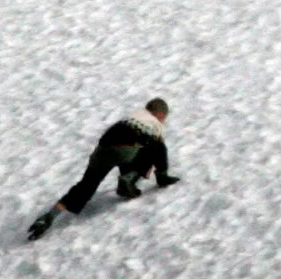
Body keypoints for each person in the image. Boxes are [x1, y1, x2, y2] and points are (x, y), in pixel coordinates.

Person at [27, 98, 180, 241]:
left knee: (86, 186)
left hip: (101, 150)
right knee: (156, 147)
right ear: (160, 114)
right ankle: (132, 179)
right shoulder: (155, 123)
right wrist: (160, 173)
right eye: (164, 118)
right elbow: (158, 150)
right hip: (126, 149)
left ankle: (49, 217)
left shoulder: (131, 117)